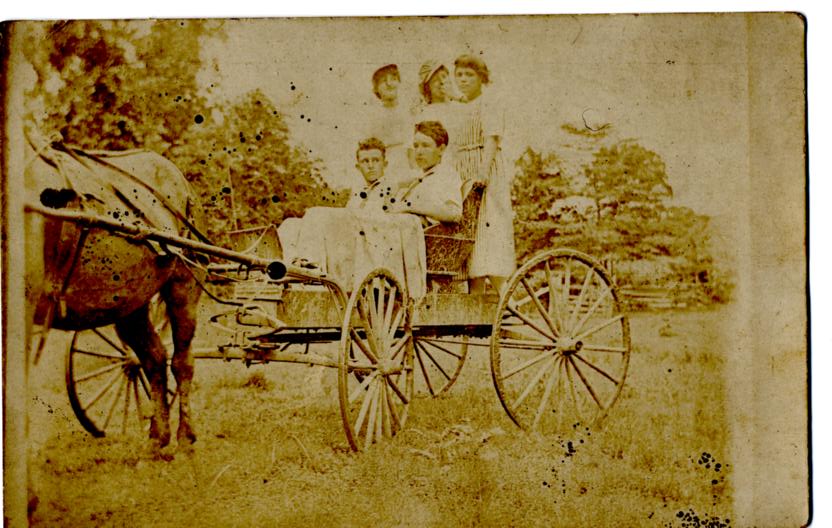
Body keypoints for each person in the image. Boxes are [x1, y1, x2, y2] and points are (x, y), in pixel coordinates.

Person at [450, 54, 516, 294]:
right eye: (459, 75)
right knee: (468, 232)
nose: (463, 79)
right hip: (462, 170)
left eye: (469, 75)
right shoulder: (458, 106)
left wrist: (483, 172)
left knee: (487, 228)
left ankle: (502, 293)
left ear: (481, 78)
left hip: (483, 169)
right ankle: (475, 300)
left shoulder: (489, 102)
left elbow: (491, 139)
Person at [390, 120, 463, 226]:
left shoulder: (446, 175)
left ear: (441, 149)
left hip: (422, 231)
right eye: (416, 146)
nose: (419, 152)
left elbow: (454, 213)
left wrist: (413, 206)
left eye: (425, 146)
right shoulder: (418, 177)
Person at [346, 137, 396, 212]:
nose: (370, 166)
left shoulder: (393, 191)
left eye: (376, 160)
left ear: (385, 164)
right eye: (365, 161)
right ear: (358, 167)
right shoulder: (355, 195)